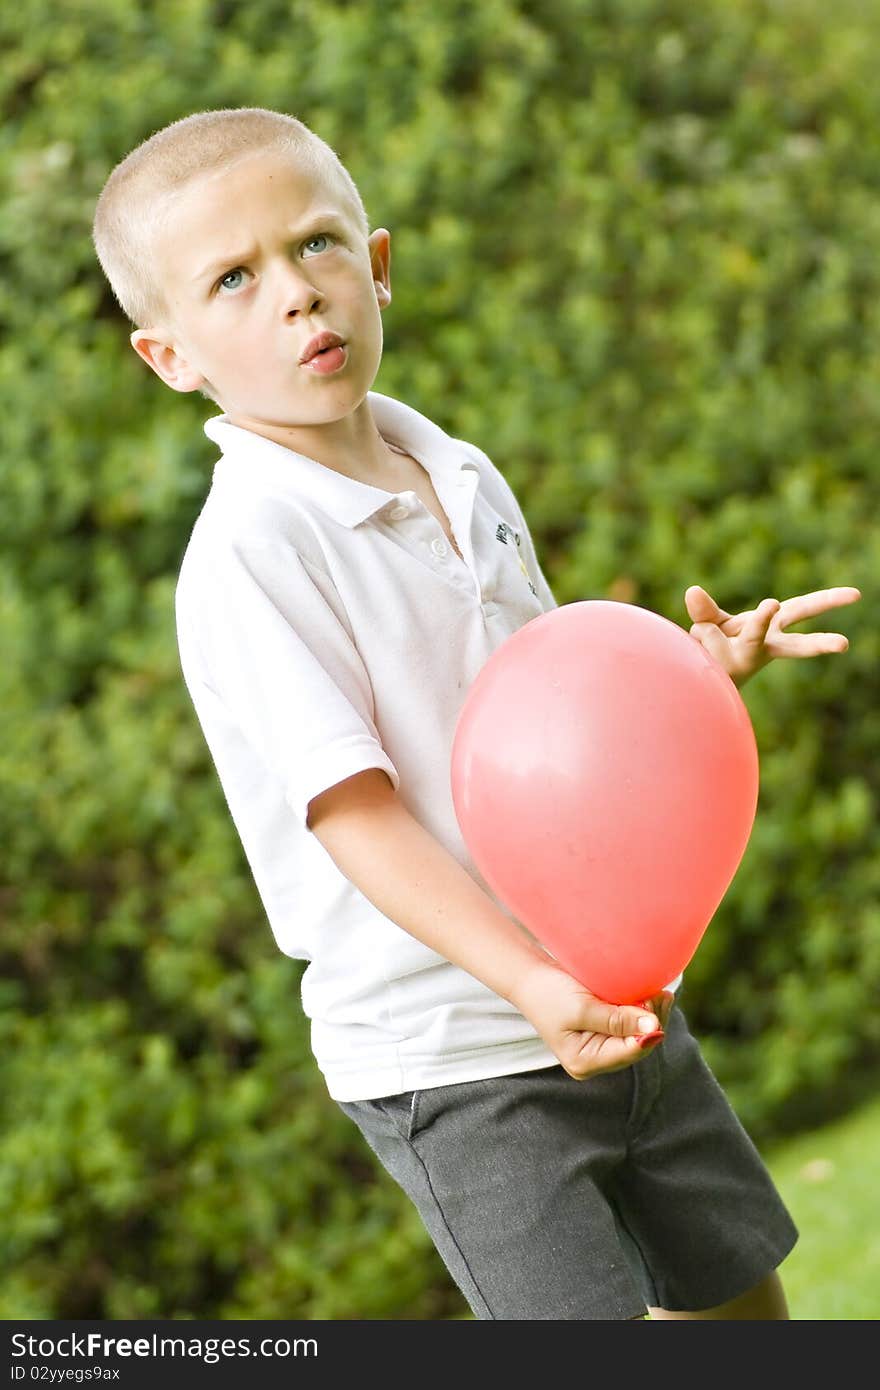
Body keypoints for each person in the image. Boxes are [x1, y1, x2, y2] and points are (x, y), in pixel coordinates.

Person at [92, 106, 860, 1321]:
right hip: (455, 1055)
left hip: (610, 995)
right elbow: (356, 816)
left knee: (738, 1311)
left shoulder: (458, 472)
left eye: (318, 245)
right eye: (233, 280)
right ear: (169, 354)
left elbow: (549, 737)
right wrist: (525, 985)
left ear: (379, 266)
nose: (296, 293)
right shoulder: (254, 548)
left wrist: (686, 678)